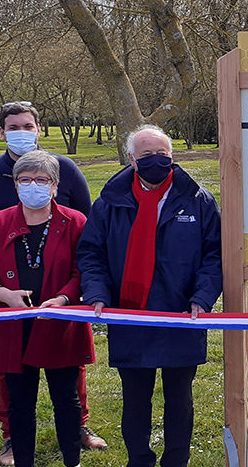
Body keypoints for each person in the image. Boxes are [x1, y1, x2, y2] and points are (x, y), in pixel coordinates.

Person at [76, 125, 222, 467]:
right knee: (135, 399)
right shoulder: (109, 202)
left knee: (180, 398)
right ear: (131, 159)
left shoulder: (198, 199)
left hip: (181, 314)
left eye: (162, 155)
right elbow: (91, 253)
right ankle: (139, 460)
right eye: (146, 155)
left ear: (172, 156)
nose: (156, 161)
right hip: (130, 315)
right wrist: (97, 292)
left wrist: (202, 297)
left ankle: (176, 461)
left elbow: (215, 254)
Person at [0, 101, 102, 465]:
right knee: (19, 401)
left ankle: (73, 454)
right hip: (14, 324)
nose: (33, 186)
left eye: (42, 180)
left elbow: (86, 267)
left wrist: (65, 299)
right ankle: (17, 449)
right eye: (25, 180)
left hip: (60, 324)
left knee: (66, 398)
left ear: (56, 186)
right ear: (15, 185)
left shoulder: (74, 222)